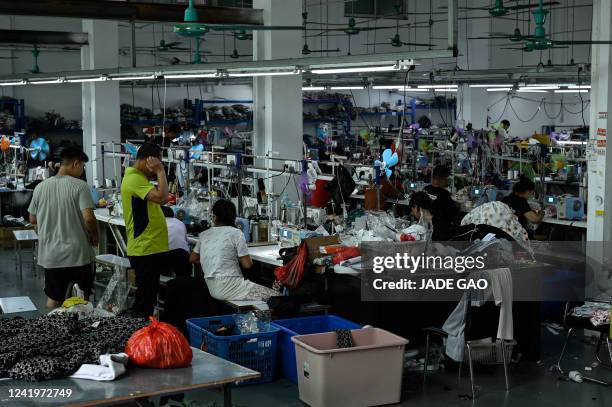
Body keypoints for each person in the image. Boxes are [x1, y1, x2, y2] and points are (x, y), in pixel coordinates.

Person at [27, 145, 98, 309]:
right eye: (83, 166)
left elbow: (32, 219)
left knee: (54, 299)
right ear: (76, 164)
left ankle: (53, 331)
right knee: (82, 299)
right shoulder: (80, 186)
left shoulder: (40, 187)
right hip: (78, 255)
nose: (82, 170)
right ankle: (79, 332)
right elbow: (89, 219)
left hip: (51, 255)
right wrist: (95, 237)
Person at [189, 199, 279, 301]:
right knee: (277, 297)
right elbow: (247, 264)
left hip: (213, 288)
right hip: (233, 287)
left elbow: (192, 258)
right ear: (233, 217)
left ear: (214, 216)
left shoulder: (204, 234)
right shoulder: (236, 233)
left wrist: (211, 261)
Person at [121, 143, 170, 318]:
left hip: (150, 248)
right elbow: (163, 197)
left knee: (147, 298)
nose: (156, 168)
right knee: (144, 302)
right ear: (147, 160)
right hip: (145, 248)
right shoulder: (134, 179)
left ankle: (142, 337)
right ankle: (138, 339)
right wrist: (160, 171)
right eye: (156, 162)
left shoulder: (139, 179)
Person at [424, 165, 459, 241]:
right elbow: (453, 212)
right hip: (441, 231)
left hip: (427, 228)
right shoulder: (444, 194)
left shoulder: (426, 189)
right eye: (447, 178)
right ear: (444, 178)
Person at [161, 205, 191, 277]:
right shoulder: (181, 223)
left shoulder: (160, 222)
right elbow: (185, 241)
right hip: (183, 256)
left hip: (166, 256)